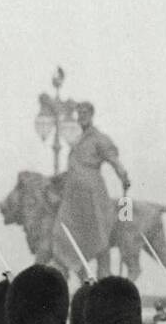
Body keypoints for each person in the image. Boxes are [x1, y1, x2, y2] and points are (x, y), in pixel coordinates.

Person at [54, 101, 130, 262]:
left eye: (85, 113)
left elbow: (113, 160)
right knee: (63, 228)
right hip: (73, 194)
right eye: (79, 114)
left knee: (97, 231)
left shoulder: (99, 138)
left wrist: (123, 175)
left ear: (91, 115)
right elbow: (75, 166)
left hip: (91, 192)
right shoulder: (78, 140)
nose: (81, 117)